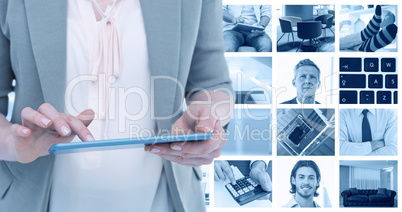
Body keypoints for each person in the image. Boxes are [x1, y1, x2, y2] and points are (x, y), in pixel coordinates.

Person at [0, 0, 234, 211]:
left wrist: (209, 116)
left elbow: (213, 83)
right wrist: (12, 143)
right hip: (33, 199)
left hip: (162, 200)